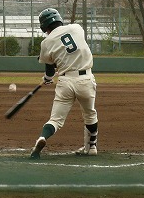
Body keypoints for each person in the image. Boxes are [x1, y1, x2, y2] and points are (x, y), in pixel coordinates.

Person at [30, 8, 98, 159]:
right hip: (86, 79)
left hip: (65, 82)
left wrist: (47, 79)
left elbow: (49, 71)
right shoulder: (76, 28)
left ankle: (42, 138)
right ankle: (91, 146)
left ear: (44, 26)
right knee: (90, 114)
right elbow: (73, 50)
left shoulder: (46, 43)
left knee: (55, 120)